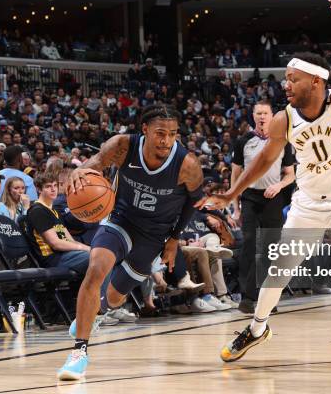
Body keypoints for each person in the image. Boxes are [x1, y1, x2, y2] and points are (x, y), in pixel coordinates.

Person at [200, 0, 331, 376]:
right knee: (279, 271)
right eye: (286, 78)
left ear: (316, 80)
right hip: (307, 205)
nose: (285, 84)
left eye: (293, 78)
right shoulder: (282, 119)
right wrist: (232, 192)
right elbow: (265, 161)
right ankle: (256, 328)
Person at [57, 105, 204, 380]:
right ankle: (78, 353)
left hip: (153, 235)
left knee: (114, 297)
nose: (166, 140)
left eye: (172, 134)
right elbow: (97, 162)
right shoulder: (123, 146)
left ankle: (97, 312)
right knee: (96, 268)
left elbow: (193, 202)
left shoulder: (187, 164)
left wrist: (174, 239)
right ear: (145, 130)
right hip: (120, 219)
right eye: (160, 133)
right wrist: (80, 172)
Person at [231, 100, 295, 313]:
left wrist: (279, 185)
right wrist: (236, 206)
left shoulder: (282, 141)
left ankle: (267, 297)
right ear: (253, 116)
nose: (262, 117)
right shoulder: (243, 141)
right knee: (249, 244)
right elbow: (236, 174)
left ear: (272, 116)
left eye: (265, 113)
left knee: (270, 249)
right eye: (258, 113)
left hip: (272, 199)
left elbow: (290, 174)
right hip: (249, 197)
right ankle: (247, 297)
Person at [26, 172, 90, 274]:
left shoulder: (54, 211)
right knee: (98, 259)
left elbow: (69, 240)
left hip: (65, 255)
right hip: (53, 259)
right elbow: (56, 244)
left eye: (55, 185)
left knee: (101, 255)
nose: (53, 189)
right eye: (48, 186)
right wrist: (85, 248)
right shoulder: (37, 211)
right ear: (39, 189)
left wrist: (91, 248)